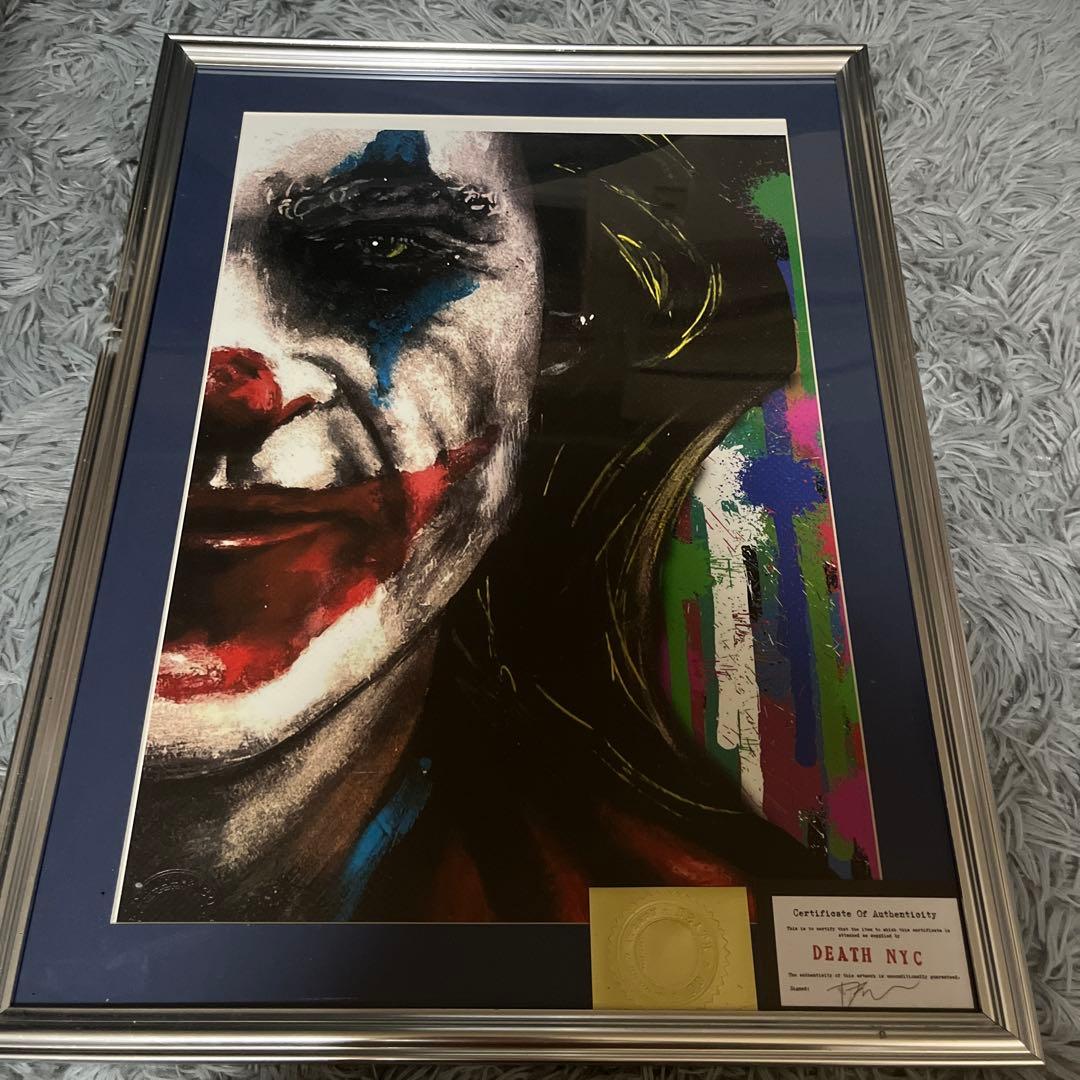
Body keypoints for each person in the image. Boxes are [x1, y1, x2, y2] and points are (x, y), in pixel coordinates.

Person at [118, 122, 830, 923]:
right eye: (119, 283)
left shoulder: (709, 932)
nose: (225, 397)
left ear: (558, 328)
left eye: (383, 248)